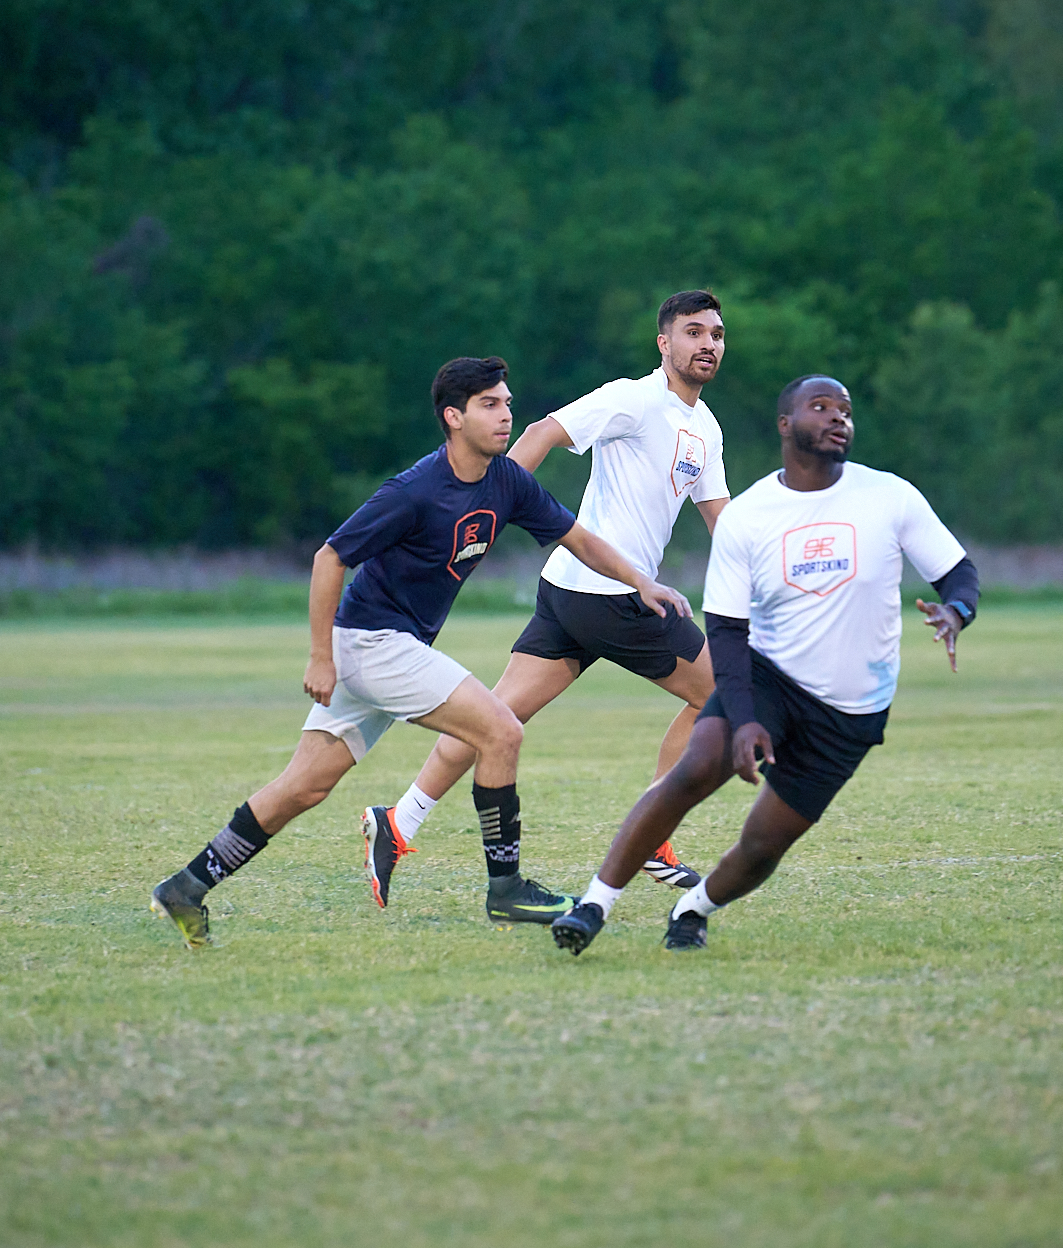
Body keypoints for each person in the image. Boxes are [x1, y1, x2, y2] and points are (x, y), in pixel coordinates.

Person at [150, 357, 692, 948]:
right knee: (501, 732)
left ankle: (186, 887)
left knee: (303, 787)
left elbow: (578, 539)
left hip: (387, 646)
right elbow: (331, 558)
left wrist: (641, 582)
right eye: (490, 405)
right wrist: (319, 657)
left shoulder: (507, 481)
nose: (506, 416)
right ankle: (506, 890)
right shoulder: (415, 491)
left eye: (507, 404)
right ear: (453, 417)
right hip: (372, 644)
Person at [549, 374, 980, 956]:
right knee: (694, 769)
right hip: (769, 678)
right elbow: (727, 630)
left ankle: (693, 907)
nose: (837, 417)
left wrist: (956, 611)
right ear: (785, 424)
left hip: (852, 712)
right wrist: (746, 716)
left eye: (845, 410)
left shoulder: (889, 497)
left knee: (763, 845)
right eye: (820, 406)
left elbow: (958, 574)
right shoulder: (749, 516)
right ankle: (594, 905)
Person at [361, 291, 733, 911]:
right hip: (612, 595)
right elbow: (541, 432)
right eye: (693, 332)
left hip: (569, 591)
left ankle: (399, 822)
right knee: (724, 693)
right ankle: (653, 838)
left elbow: (721, 517)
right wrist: (491, 499)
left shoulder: (706, 427)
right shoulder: (634, 398)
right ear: (664, 343)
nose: (708, 344)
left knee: (494, 719)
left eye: (716, 334)